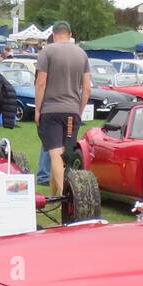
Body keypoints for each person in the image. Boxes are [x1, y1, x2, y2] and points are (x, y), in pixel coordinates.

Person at [35, 20, 90, 196]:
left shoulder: (47, 51)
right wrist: (79, 110)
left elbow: (41, 82)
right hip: (72, 111)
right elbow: (87, 88)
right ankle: (52, 196)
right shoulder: (82, 54)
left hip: (51, 110)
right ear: (70, 35)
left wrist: (37, 109)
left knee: (55, 155)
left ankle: (65, 196)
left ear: (52, 34)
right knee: (62, 156)